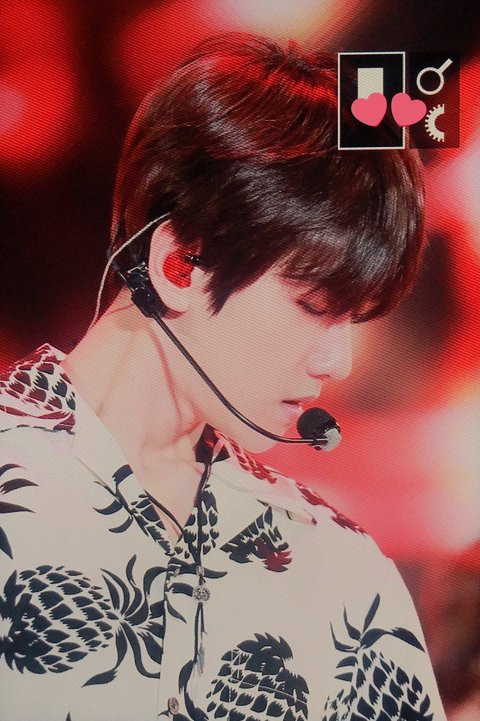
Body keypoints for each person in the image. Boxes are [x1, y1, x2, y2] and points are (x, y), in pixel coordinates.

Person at [0, 32, 446, 721]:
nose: (339, 362)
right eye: (314, 306)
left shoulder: (337, 572)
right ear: (179, 263)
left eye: (356, 319)